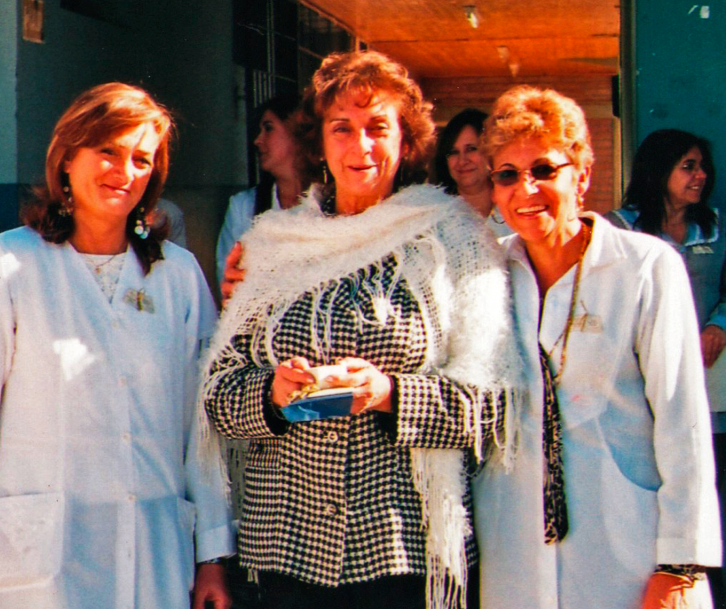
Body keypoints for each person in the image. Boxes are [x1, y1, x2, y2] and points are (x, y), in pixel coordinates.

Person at [203, 50, 520, 609]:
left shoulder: (455, 240)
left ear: (407, 140)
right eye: (342, 128)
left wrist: (389, 393)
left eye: (378, 127)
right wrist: (273, 394)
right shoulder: (272, 244)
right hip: (285, 554)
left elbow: (493, 404)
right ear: (319, 141)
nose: (361, 145)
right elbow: (217, 396)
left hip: (405, 553)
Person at [0, 83, 235, 609]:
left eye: (141, 159)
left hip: (156, 548)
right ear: (66, 158)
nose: (125, 172)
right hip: (45, 554)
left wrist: (212, 555)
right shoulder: (5, 264)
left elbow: (201, 427)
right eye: (108, 152)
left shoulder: (178, 274)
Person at [473, 87, 721, 609]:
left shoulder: (644, 266)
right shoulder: (481, 273)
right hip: (512, 552)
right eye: (507, 175)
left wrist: (680, 566)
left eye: (544, 169)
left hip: (626, 550)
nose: (526, 188)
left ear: (582, 175)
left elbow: (682, 420)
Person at [607, 128, 726, 605]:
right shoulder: (620, 229)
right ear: (659, 171)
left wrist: (718, 324)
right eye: (687, 166)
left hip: (709, 375)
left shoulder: (714, 227)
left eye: (702, 167)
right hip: (643, 380)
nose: (699, 176)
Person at [215, 93, 308, 284]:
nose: (258, 140)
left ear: (297, 133)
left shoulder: (330, 202)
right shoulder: (243, 206)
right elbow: (226, 278)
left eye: (268, 128)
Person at [432, 107, 512, 237]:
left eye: (471, 149)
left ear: (491, 151)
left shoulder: (513, 211)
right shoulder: (434, 219)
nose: (462, 161)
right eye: (453, 152)